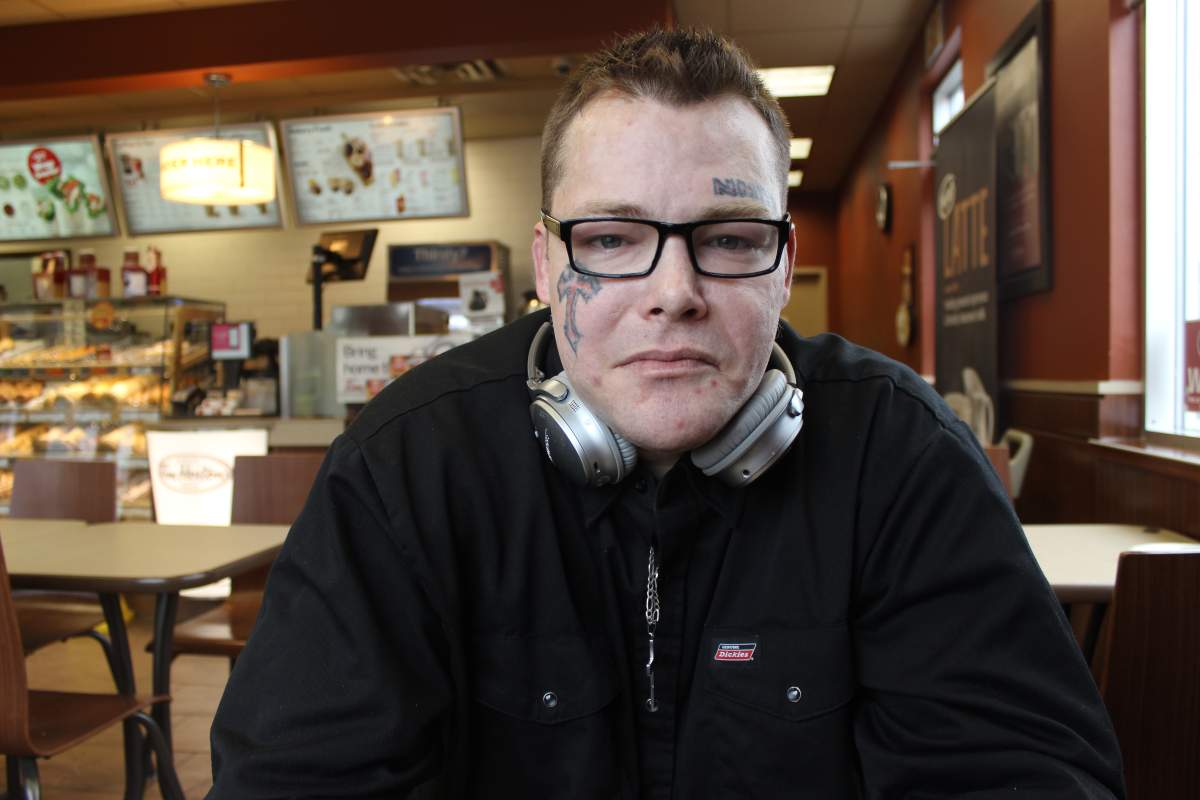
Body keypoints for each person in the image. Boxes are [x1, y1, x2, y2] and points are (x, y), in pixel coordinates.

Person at [209, 28, 1125, 799]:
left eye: (728, 240)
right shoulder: (406, 469)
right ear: (546, 262)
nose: (674, 293)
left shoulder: (904, 458)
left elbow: (1023, 774)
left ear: (782, 260)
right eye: (611, 239)